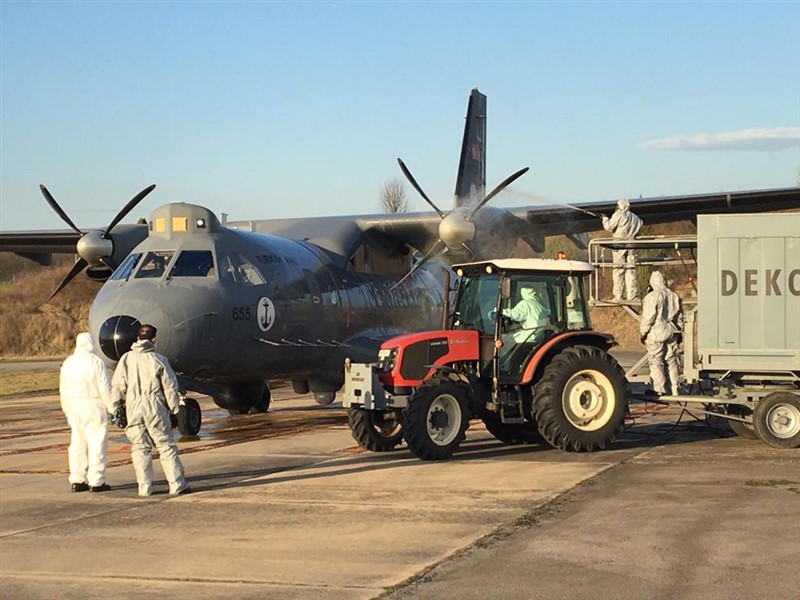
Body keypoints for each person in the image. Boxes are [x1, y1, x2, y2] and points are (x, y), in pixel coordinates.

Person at [112, 324, 190, 497]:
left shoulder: (126, 358)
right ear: (154, 339)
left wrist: (116, 407)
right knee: (165, 445)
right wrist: (175, 410)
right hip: (154, 406)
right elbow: (170, 387)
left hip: (133, 406)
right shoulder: (159, 359)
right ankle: (177, 484)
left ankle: (144, 487)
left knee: (140, 447)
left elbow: (117, 385)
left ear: (137, 337)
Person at [59, 332, 115, 493]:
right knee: (97, 443)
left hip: (75, 407)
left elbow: (64, 389)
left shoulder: (68, 363)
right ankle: (96, 480)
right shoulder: (96, 362)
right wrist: (112, 408)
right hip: (94, 405)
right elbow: (105, 387)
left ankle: (77, 479)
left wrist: (67, 410)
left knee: (77, 443)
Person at [640, 271, 684, 396]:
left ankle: (660, 390)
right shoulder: (673, 295)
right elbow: (680, 316)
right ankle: (675, 388)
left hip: (656, 331)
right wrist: (679, 331)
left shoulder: (652, 296)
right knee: (671, 360)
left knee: (656, 360)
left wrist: (643, 332)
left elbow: (648, 317)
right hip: (671, 329)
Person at [602, 198, 643, 301]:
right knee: (631, 269)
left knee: (618, 269)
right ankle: (632, 295)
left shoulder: (619, 215)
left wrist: (605, 219)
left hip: (619, 245)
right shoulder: (635, 217)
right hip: (632, 245)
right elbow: (640, 224)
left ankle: (618, 295)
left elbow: (609, 227)